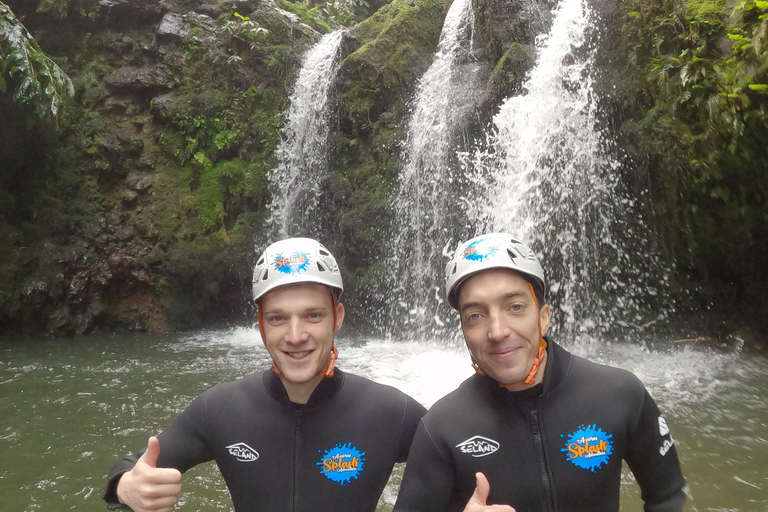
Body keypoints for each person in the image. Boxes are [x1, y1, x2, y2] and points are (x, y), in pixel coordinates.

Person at [103, 237, 426, 512]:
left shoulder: (391, 412)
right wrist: (125, 487)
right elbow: (132, 466)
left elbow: (462, 468)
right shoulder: (220, 409)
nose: (296, 335)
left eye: (313, 315)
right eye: (278, 319)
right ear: (260, 325)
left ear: (336, 318)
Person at [393, 233, 686, 512]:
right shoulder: (441, 428)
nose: (497, 331)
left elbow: (667, 496)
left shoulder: (619, 394)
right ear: (464, 330)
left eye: (515, 307)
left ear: (543, 318)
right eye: (476, 316)